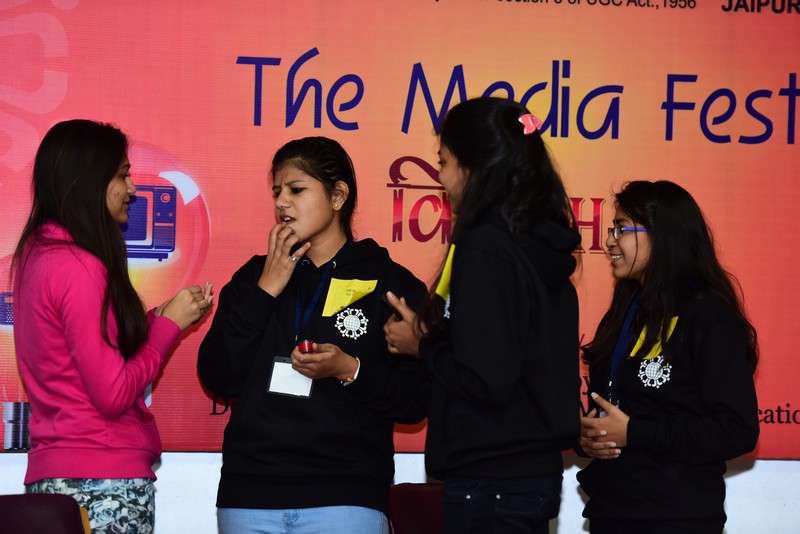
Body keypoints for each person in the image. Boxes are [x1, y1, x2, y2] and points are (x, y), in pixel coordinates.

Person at [197, 136, 429, 534]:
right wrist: (266, 290)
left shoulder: (389, 283)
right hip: (250, 495)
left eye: (296, 190)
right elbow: (218, 376)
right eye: (277, 192)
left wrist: (351, 369)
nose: (282, 203)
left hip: (346, 497)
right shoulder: (253, 277)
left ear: (338, 196)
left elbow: (416, 400)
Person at [383, 96, 582, 533]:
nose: (440, 177)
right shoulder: (535, 240)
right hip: (526, 474)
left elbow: (486, 378)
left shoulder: (486, 246)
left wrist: (422, 345)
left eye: (443, 162)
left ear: (472, 165)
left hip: (491, 478)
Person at [11, 119, 213, 533]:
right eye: (122, 175)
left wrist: (156, 319)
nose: (132, 189)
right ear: (90, 181)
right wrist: (167, 328)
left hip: (53, 478)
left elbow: (76, 363)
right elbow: (113, 393)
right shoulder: (80, 264)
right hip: (103, 482)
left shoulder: (37, 257)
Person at [577, 180, 759, 534]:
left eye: (621, 229)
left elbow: (736, 430)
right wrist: (588, 436)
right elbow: (618, 406)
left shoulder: (708, 317)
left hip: (676, 517)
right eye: (611, 229)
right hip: (612, 512)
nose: (609, 241)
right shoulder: (624, 313)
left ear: (663, 235)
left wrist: (635, 432)